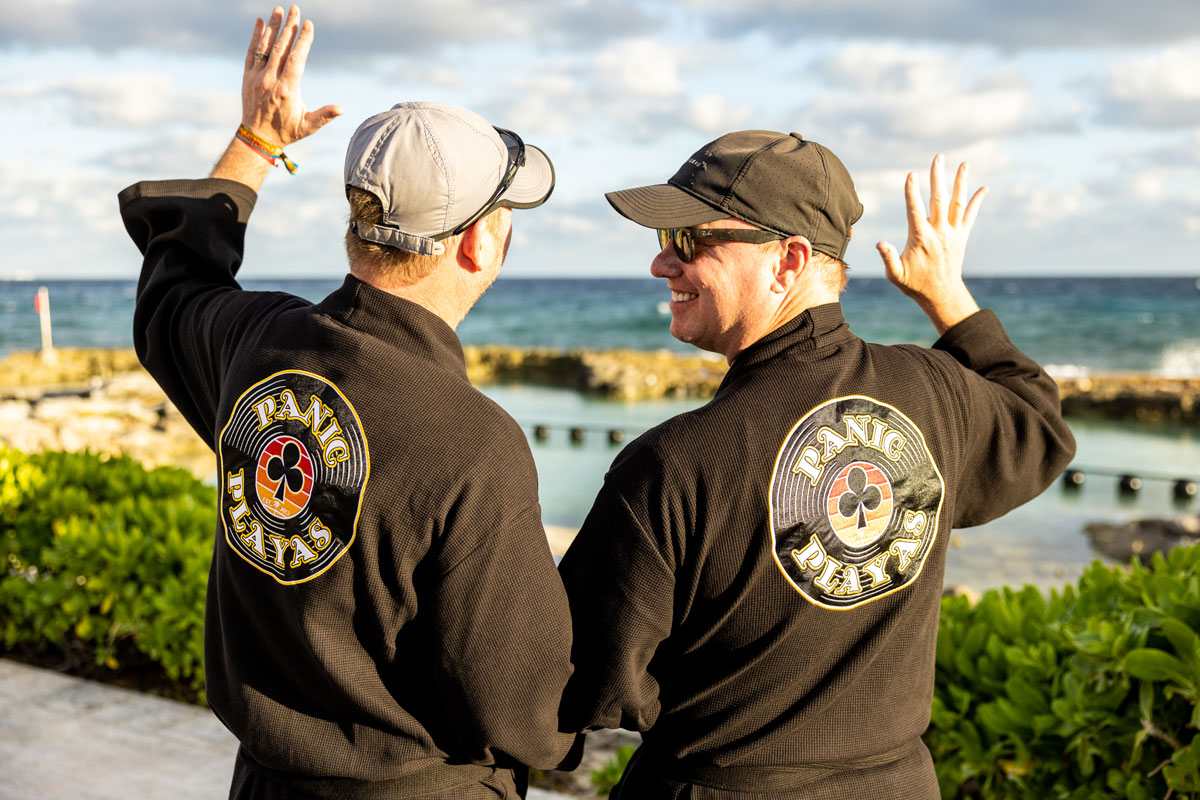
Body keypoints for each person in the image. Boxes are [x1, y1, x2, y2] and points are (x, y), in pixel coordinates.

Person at [119, 6, 575, 798]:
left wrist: (256, 142)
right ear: (475, 243)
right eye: (504, 215)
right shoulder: (475, 444)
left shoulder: (258, 346)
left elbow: (173, 291)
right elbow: (522, 710)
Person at [557, 131, 1077, 798]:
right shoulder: (934, 392)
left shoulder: (673, 465)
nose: (662, 264)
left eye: (689, 241)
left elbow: (576, 683)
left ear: (789, 259)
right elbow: (1039, 424)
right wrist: (947, 296)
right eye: (661, 241)